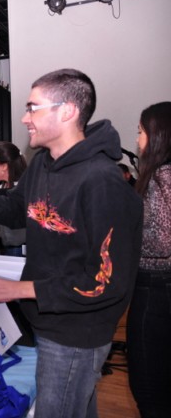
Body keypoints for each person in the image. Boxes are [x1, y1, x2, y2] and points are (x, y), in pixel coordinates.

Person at [0, 68, 143, 417]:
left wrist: (22, 289)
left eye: (33, 108)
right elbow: (15, 210)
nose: (25, 118)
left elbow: (105, 281)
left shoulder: (102, 182)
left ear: (67, 111)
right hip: (50, 319)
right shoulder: (42, 163)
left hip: (77, 331)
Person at [126, 101, 171, 418]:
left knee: (149, 387)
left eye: (141, 132)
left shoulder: (160, 180)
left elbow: (161, 240)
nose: (137, 139)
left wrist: (122, 235)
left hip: (155, 289)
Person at [0, 141, 27, 256]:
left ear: (4, 166)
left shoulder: (20, 190)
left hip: (19, 249)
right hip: (8, 247)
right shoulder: (2, 187)